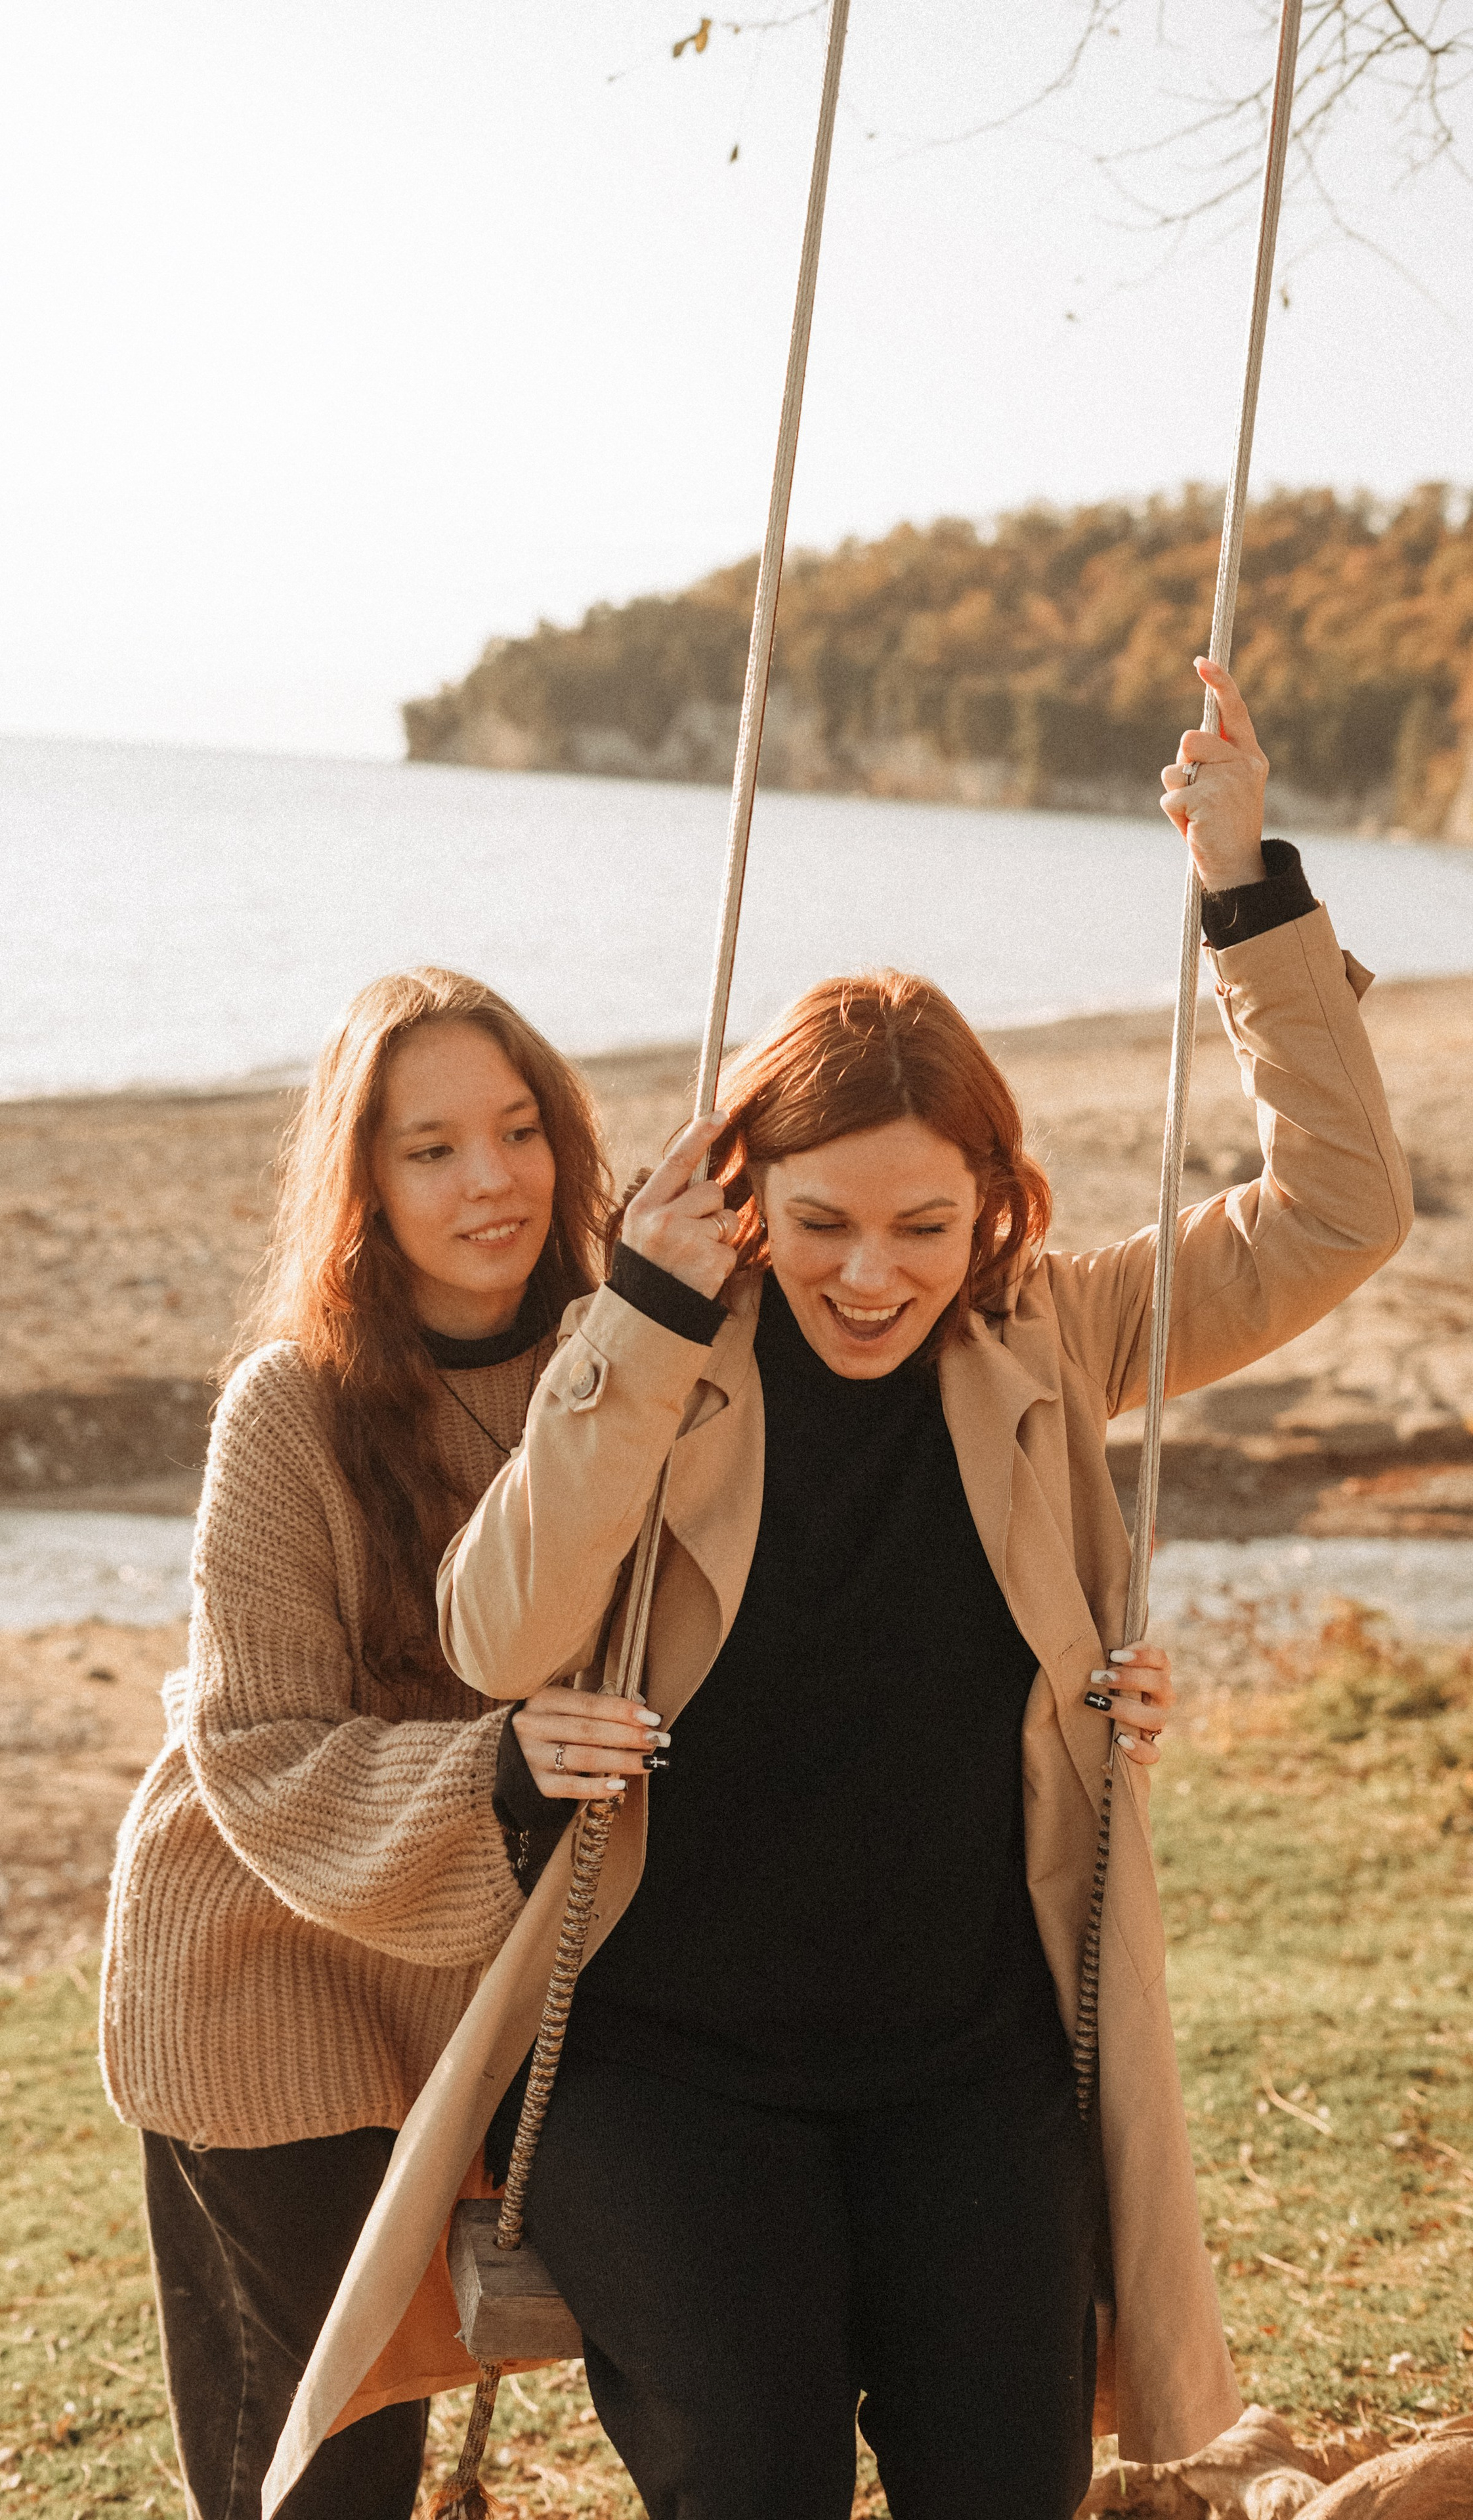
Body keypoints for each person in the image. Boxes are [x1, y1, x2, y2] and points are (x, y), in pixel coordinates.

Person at [410, 660, 1413, 2520]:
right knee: (759, 2474)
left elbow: (1341, 1212)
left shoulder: (1052, 1335)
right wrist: (636, 1319)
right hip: (670, 2068)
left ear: (994, 1209)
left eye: (923, 1227)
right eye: (819, 1225)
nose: (870, 1277)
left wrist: (1243, 891)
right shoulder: (660, 1354)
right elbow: (498, 1638)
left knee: (1003, 2485)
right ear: (748, 1199)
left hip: (972, 2069)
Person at [96, 967, 656, 2520]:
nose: (491, 1180)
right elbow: (254, 1743)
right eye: (432, 1149)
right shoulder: (288, 1407)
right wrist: (495, 1768)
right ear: (365, 1181)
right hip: (254, 1971)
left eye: (519, 1130)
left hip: (480, 1963)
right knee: (326, 2455)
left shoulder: (620, 1368)